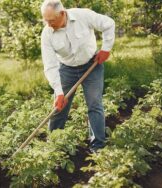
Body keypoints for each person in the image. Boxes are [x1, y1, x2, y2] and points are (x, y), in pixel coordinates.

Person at [40, 0, 115, 152]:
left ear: (62, 13)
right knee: (59, 106)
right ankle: (54, 144)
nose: (48, 24)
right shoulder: (47, 34)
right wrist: (59, 92)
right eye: (45, 20)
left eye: (51, 20)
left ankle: (98, 146)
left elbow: (108, 23)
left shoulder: (83, 16)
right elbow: (50, 65)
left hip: (91, 65)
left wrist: (106, 49)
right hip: (66, 69)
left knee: (94, 104)